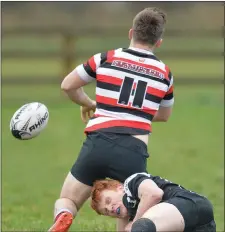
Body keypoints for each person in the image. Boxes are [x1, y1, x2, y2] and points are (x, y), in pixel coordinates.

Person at [48, 7, 174, 232]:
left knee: (68, 198)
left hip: (98, 141)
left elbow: (68, 85)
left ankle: (64, 214)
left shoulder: (106, 58)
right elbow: (164, 115)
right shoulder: (165, 73)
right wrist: (137, 114)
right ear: (159, 42)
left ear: (130, 33)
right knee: (128, 208)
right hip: (133, 150)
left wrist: (89, 103)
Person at [90, 172, 216, 232]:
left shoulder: (131, 184)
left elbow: (154, 194)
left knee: (141, 227)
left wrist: (134, 223)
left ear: (119, 187)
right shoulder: (130, 210)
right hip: (201, 225)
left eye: (108, 200)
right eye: (106, 212)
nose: (110, 208)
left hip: (190, 203)